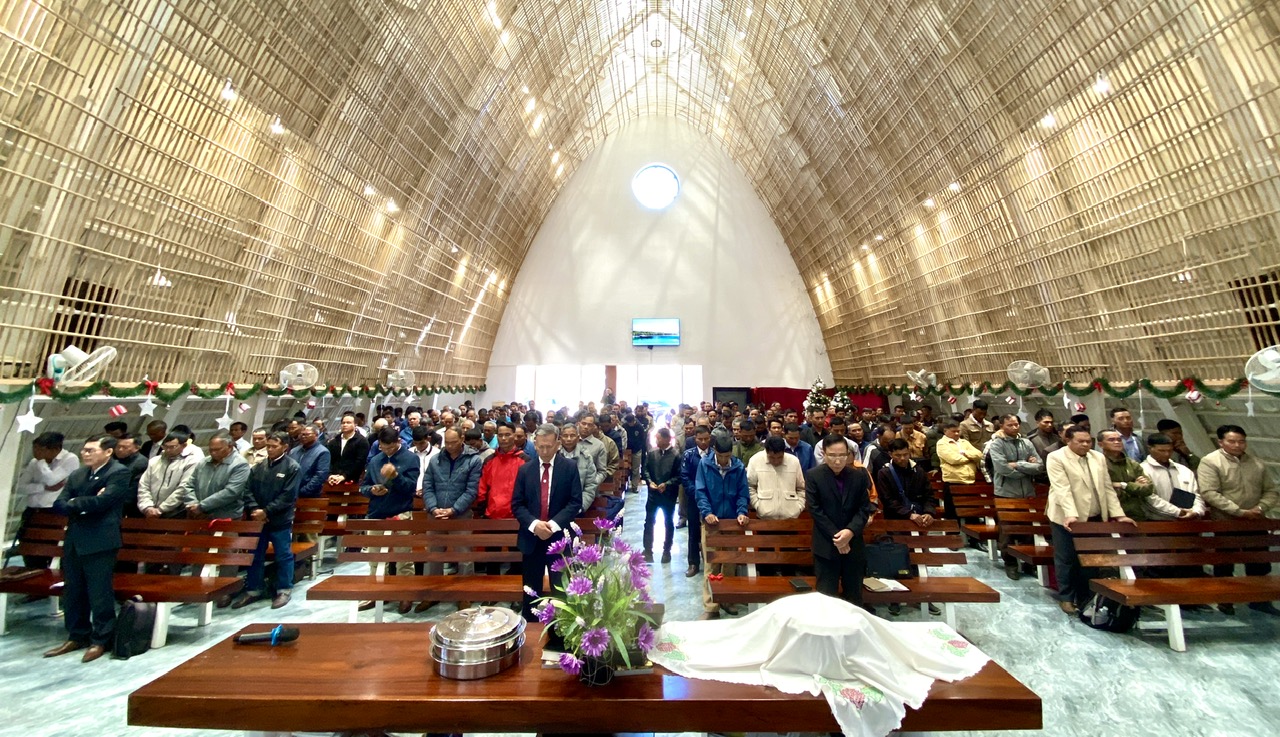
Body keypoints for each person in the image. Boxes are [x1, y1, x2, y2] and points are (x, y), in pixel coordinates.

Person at [45, 436, 130, 663]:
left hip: (100, 540)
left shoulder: (118, 472)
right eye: (84, 450)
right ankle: (77, 635)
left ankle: (101, 639)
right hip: (75, 539)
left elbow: (104, 502)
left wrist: (76, 503)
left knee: (99, 592)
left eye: (91, 450)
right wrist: (84, 502)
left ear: (108, 452)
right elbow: (59, 504)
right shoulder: (78, 474)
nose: (85, 454)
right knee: (73, 590)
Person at [1045, 427, 1134, 615]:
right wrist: (1071, 514)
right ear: (1068, 441)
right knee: (1067, 558)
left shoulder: (1098, 457)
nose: (1086, 445)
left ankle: (1086, 597)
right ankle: (1066, 598)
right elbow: (1062, 488)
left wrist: (1118, 514)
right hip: (1065, 517)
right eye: (1081, 441)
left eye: (1088, 441)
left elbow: (1107, 488)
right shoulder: (1056, 457)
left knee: (1090, 560)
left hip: (1093, 516)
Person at [1196, 424, 1280, 615]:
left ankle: (1260, 599)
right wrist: (1239, 511)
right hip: (1226, 522)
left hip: (1255, 521)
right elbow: (1209, 493)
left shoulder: (1257, 463)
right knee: (1225, 562)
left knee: (1259, 562)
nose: (1237, 445)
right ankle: (1225, 599)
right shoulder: (1210, 462)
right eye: (1232, 441)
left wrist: (1260, 508)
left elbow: (1271, 491)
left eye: (1241, 441)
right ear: (1221, 442)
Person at [512, 424, 582, 620]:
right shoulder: (525, 470)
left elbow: (575, 502)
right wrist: (535, 525)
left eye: (548, 446)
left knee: (561, 589)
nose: (544, 451)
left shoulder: (569, 468)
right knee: (530, 591)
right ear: (535, 444)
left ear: (557, 444)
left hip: (559, 538)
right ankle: (530, 626)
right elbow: (517, 504)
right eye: (540, 446)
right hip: (531, 538)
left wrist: (552, 525)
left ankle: (561, 627)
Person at [805, 436, 876, 611]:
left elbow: (864, 508)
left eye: (842, 455)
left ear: (849, 454)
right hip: (826, 545)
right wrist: (838, 537)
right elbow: (815, 510)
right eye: (832, 455)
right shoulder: (814, 476)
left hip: (853, 544)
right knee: (826, 598)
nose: (837, 461)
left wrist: (849, 532)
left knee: (854, 597)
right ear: (824, 454)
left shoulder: (858, 475)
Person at [357, 426, 421, 612]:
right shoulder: (375, 460)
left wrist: (395, 476)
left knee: (403, 557)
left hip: (400, 512)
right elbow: (364, 487)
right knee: (375, 558)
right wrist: (372, 490)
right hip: (377, 512)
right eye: (383, 448)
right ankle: (377, 593)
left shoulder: (410, 458)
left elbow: (410, 488)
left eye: (390, 448)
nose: (387, 451)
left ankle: (405, 594)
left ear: (398, 442)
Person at [233, 431, 299, 610]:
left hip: (279, 520)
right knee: (255, 555)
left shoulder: (292, 467)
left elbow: (288, 496)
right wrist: (255, 509)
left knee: (283, 555)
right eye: (268, 446)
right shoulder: (259, 466)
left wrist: (266, 511)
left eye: (274, 446)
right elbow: (247, 489)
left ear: (285, 447)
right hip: (258, 519)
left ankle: (284, 589)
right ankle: (254, 589)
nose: (269, 449)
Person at [695, 434, 750, 620]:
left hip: (732, 521)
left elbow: (742, 493)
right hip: (712, 521)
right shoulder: (705, 464)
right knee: (711, 563)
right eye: (721, 456)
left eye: (727, 456)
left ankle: (727, 599)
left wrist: (741, 512)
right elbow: (701, 491)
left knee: (729, 563)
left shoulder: (738, 467)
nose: (724, 460)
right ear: (714, 451)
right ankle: (711, 607)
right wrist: (707, 512)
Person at [15, 432, 78, 568]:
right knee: (27, 548)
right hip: (32, 511)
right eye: (35, 449)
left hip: (53, 511)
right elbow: (20, 486)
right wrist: (41, 487)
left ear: (55, 449)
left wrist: (42, 463)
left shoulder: (70, 459)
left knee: (45, 550)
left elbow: (51, 480)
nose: (36, 453)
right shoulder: (34, 462)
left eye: (40, 450)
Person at [179, 432, 251, 521]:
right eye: (211, 450)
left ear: (230, 447)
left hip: (225, 517)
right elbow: (190, 485)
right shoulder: (204, 462)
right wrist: (193, 504)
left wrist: (202, 506)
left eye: (217, 450)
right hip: (197, 515)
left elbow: (232, 492)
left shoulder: (240, 464)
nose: (213, 453)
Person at [1141, 434, 1206, 521]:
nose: (1166, 454)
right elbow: (1150, 499)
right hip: (1158, 522)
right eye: (1161, 451)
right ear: (1150, 448)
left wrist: (1196, 511)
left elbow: (1196, 495)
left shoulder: (1184, 470)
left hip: (1188, 520)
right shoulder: (1142, 470)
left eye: (1170, 450)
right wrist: (1177, 512)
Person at [137, 432, 202, 519]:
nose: (167, 450)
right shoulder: (154, 461)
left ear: (184, 445)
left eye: (172, 447)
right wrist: (147, 506)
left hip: (177, 512)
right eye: (165, 446)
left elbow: (183, 488)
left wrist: (161, 509)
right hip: (150, 512)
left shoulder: (192, 461)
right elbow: (144, 485)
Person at [641, 428, 682, 563]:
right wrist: (650, 482)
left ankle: (666, 551)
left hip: (668, 495)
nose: (656, 441)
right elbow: (645, 470)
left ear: (667, 439)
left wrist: (667, 484)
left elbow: (679, 476)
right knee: (649, 522)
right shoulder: (652, 453)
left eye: (658, 438)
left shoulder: (676, 455)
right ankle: (647, 550)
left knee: (668, 522)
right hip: (653, 494)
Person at [1098, 430, 1154, 521]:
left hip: (1137, 514)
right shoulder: (1098, 464)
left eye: (1119, 440)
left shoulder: (1132, 463)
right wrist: (1135, 486)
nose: (1117, 442)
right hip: (1111, 516)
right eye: (1111, 440)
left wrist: (1123, 485)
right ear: (1101, 444)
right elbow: (1104, 489)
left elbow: (1148, 489)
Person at [748, 436, 806, 521]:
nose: (776, 461)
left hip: (791, 517)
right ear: (766, 451)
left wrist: (798, 507)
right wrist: (758, 506)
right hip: (764, 518)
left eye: (780, 457)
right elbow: (750, 487)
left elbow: (801, 488)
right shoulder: (755, 460)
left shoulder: (794, 461)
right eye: (772, 457)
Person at [680, 425, 712, 578]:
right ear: (695, 439)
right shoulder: (688, 455)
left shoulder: (714, 455)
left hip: (711, 498)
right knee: (693, 529)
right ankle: (693, 563)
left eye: (706, 439)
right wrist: (697, 493)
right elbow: (684, 476)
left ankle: (710, 562)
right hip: (693, 498)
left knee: (710, 529)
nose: (703, 442)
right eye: (700, 439)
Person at [476, 422, 526, 521]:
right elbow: (482, 488)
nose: (503, 438)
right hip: (491, 515)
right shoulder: (489, 460)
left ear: (514, 436)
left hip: (517, 517)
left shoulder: (525, 460)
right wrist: (482, 511)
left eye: (507, 435)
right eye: (500, 435)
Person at [560, 423, 606, 512]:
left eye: (572, 436)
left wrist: (580, 506)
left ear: (578, 438)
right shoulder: (555, 455)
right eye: (565, 436)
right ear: (560, 438)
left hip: (579, 505)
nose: (568, 439)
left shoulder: (586, 457)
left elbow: (590, 485)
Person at [325, 413, 370, 484]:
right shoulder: (334, 441)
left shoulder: (362, 441)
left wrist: (344, 476)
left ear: (355, 425)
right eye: (343, 423)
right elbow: (329, 460)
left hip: (352, 479)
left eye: (348, 423)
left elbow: (360, 462)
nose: (345, 425)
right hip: (333, 478)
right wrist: (330, 475)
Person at [112, 434, 149, 518]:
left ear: (137, 448)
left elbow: (133, 491)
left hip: (130, 508)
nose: (120, 449)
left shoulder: (141, 463)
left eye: (125, 447)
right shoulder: (113, 460)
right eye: (118, 446)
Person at [936, 419, 983, 486]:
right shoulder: (942, 443)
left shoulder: (964, 442)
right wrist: (971, 458)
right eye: (953, 431)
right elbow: (954, 459)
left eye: (958, 431)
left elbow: (979, 454)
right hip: (953, 480)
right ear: (945, 431)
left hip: (970, 479)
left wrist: (965, 453)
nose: (957, 434)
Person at [288, 425, 330, 499]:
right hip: (290, 493)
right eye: (302, 434)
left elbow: (320, 475)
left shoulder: (322, 452)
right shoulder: (294, 451)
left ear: (316, 435)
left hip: (309, 495)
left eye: (307, 434)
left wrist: (304, 491)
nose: (303, 436)